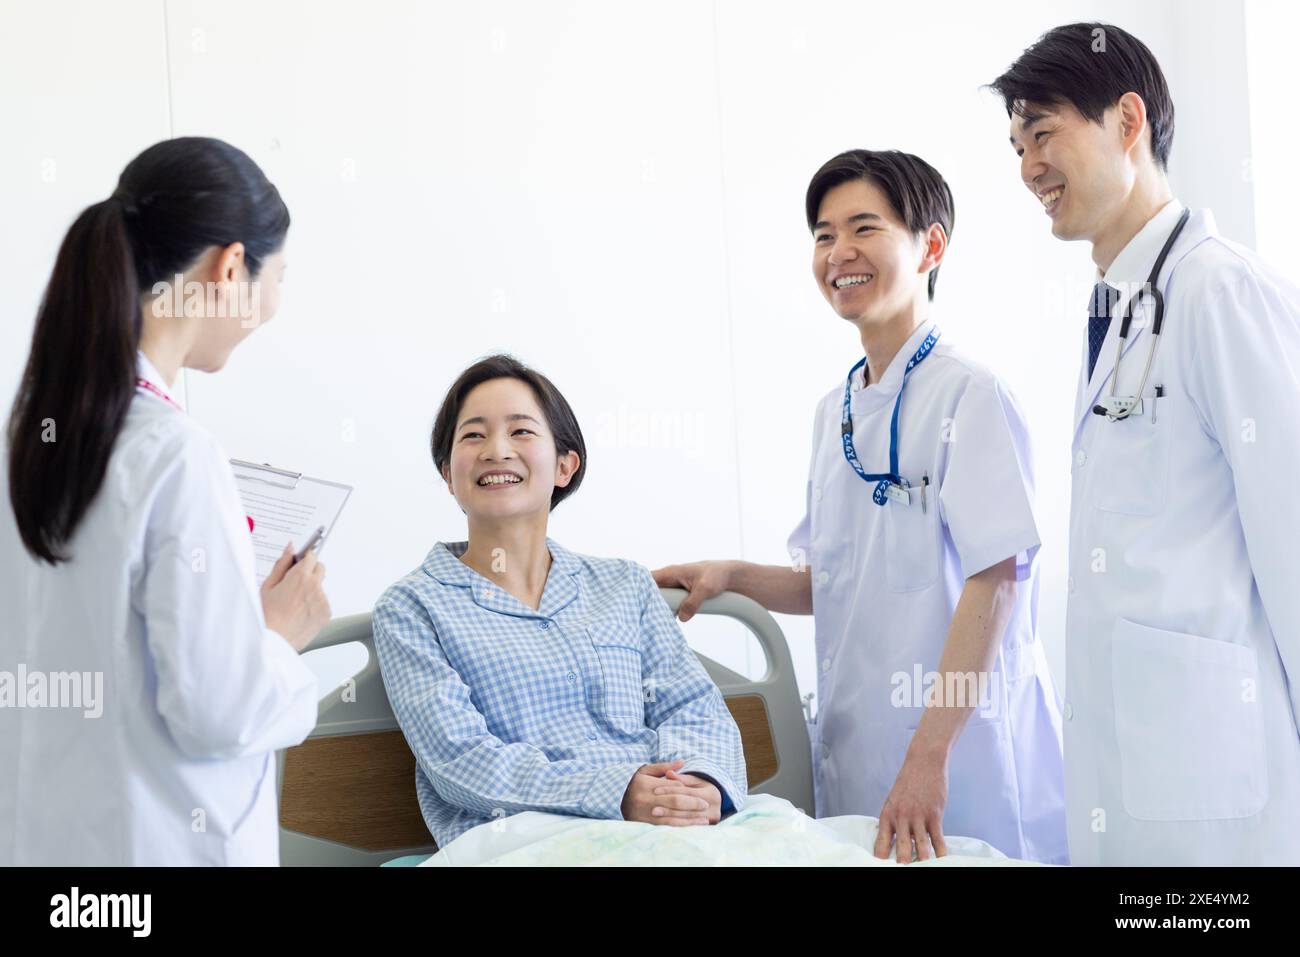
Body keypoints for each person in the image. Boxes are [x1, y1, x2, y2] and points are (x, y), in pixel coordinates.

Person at [654, 150, 1067, 864]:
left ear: (930, 245)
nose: (838, 252)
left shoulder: (971, 396)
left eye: (863, 227)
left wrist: (929, 756)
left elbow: (998, 581)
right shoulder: (833, 413)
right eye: (822, 234)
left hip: (960, 759)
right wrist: (730, 574)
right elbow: (835, 581)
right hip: (857, 748)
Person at [992, 22, 1300, 865]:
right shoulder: (1124, 308)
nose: (1027, 169)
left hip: (1219, 793)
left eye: (1044, 134)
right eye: (1016, 146)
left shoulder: (1222, 292)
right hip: (1141, 777)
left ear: (1128, 122)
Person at [0, 137, 329, 866]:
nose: (272, 303)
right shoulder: (175, 455)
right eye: (278, 276)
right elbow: (215, 711)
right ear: (230, 266)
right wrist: (275, 637)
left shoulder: (26, 440)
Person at [371, 355, 747, 849]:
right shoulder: (412, 608)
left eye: (521, 431)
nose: (496, 450)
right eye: (473, 435)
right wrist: (616, 792)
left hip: (671, 830)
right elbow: (459, 759)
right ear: (448, 474)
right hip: (526, 843)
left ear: (565, 466)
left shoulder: (625, 586)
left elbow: (692, 707)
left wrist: (698, 786)